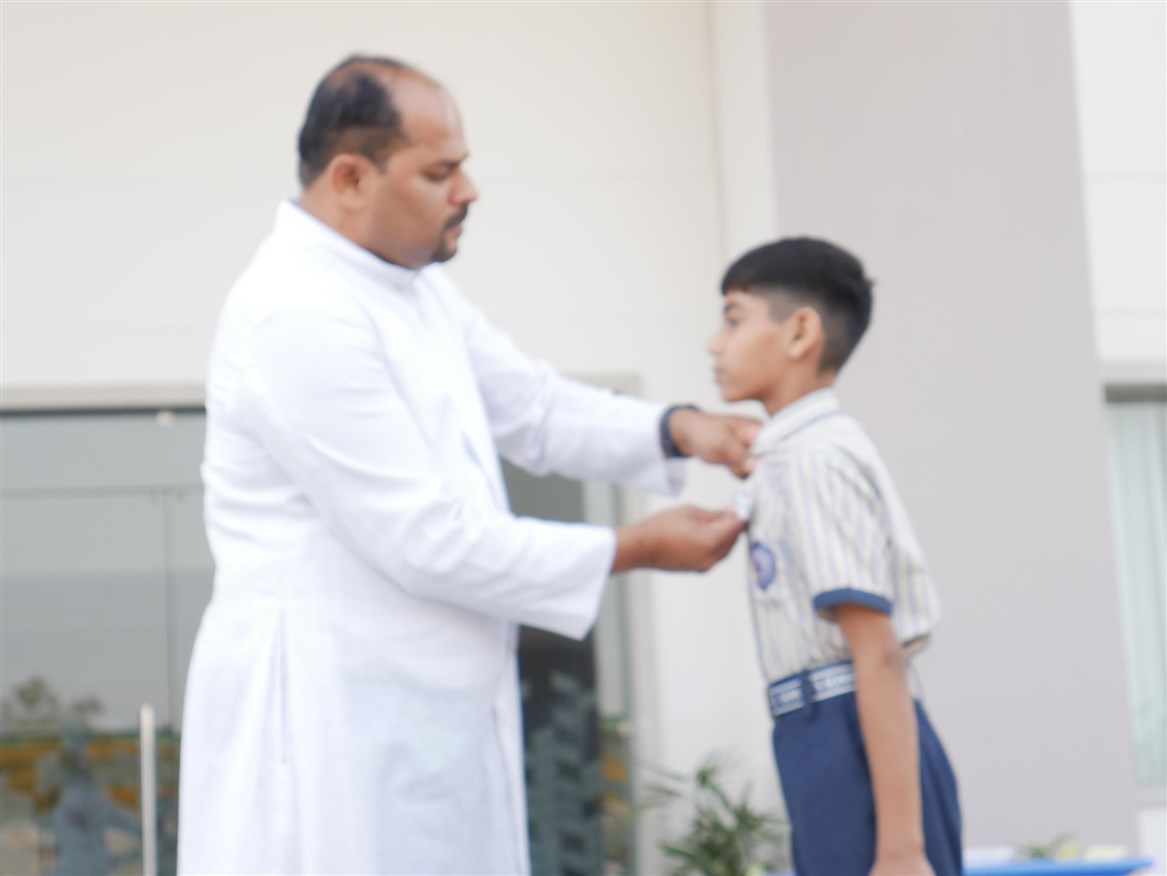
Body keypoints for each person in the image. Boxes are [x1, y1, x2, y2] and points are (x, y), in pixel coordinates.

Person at [177, 55, 757, 875]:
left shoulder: (410, 288)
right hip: (330, 721)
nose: (468, 191)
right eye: (439, 172)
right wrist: (631, 548)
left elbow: (531, 406)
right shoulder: (295, 312)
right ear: (350, 178)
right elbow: (428, 540)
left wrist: (681, 429)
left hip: (425, 718)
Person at [709, 238, 962, 876]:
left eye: (733, 320)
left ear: (800, 332)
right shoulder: (785, 458)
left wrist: (901, 849)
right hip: (818, 736)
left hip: (853, 737)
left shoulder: (815, 460)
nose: (714, 344)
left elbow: (875, 650)